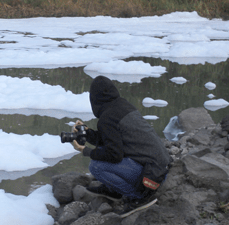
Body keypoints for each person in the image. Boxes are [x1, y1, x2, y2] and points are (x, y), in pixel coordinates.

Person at [69, 75, 171, 217]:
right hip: (161, 168)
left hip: (151, 176)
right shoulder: (122, 105)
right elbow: (111, 139)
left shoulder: (107, 117)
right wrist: (88, 133)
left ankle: (139, 197)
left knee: (96, 166)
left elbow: (114, 155)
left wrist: (85, 150)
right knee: (103, 153)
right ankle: (114, 191)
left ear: (94, 99)